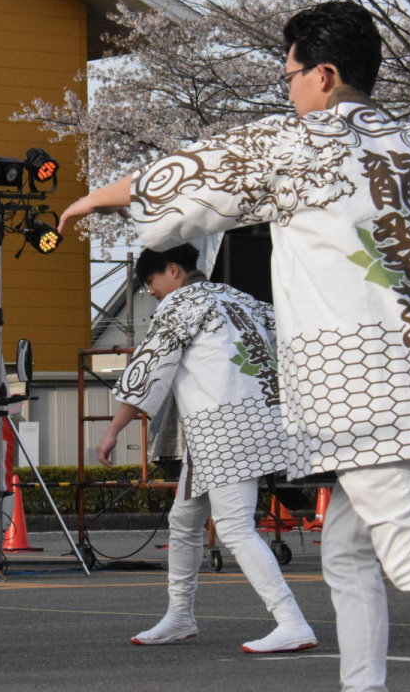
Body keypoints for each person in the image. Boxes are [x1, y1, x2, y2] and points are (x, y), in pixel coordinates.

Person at [60, 1, 410, 691]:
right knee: (351, 550)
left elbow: (180, 179)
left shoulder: (294, 147)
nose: (288, 87)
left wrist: (93, 200)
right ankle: (363, 685)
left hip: (360, 384)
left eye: (290, 73)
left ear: (323, 74)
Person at [98, 244, 316, 654]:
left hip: (225, 427)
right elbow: (293, 331)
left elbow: (149, 370)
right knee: (184, 520)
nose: (152, 292)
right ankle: (179, 615)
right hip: (260, 418)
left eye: (151, 282)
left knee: (234, 527)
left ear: (173, 271)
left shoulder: (179, 306)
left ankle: (292, 621)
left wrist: (113, 430)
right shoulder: (239, 298)